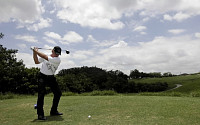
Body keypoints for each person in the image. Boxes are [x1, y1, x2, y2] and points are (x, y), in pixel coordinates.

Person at [33, 46, 63, 120]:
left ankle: (53, 111)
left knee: (58, 93)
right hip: (42, 76)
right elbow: (36, 62)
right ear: (52, 51)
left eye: (58, 54)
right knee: (41, 94)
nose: (57, 55)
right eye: (56, 53)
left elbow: (44, 56)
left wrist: (36, 51)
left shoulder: (57, 60)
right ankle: (40, 115)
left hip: (51, 77)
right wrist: (34, 53)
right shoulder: (46, 55)